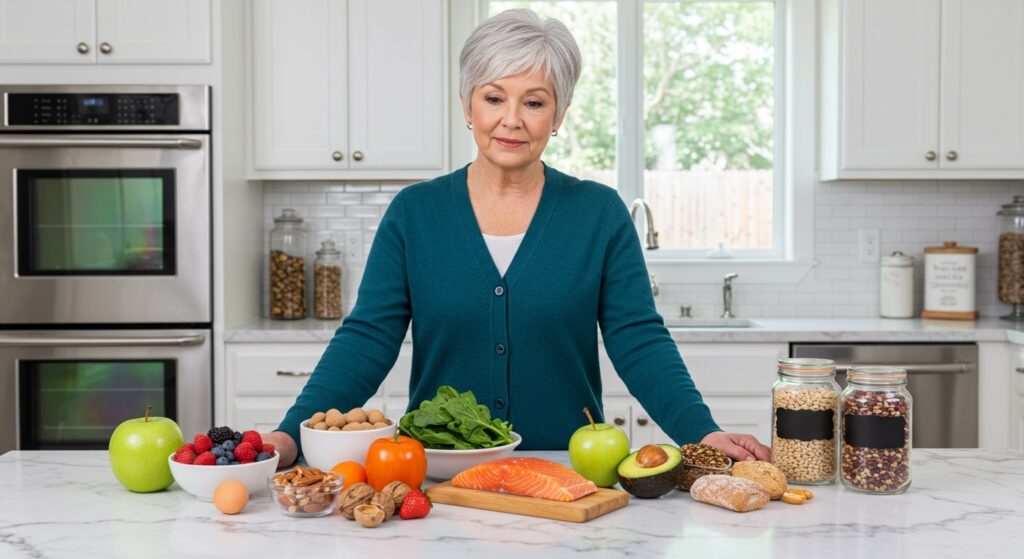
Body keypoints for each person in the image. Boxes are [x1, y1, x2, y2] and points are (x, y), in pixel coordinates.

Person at [263, 9, 771, 467]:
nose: (511, 119)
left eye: (534, 101)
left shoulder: (599, 214)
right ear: (467, 105)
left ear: (560, 114)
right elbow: (368, 338)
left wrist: (701, 432)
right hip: (441, 475)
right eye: (493, 97)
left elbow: (637, 338)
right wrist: (291, 435)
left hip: (569, 472)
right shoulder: (415, 214)